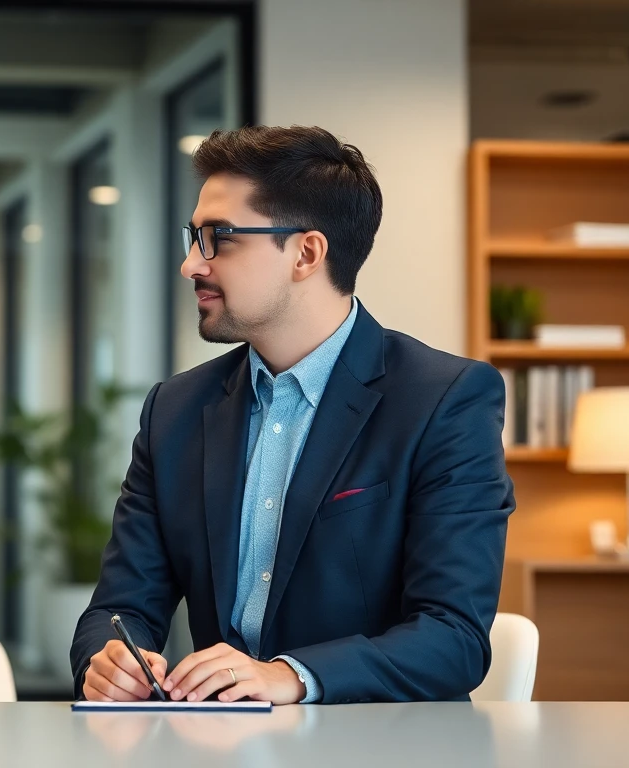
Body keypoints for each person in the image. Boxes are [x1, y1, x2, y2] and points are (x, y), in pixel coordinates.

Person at [71, 125, 514, 705]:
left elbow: (452, 638)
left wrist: (291, 675)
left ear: (306, 253)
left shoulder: (444, 400)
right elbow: (118, 608)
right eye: (194, 237)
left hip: (380, 740)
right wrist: (109, 661)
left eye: (219, 238)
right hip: (218, 738)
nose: (191, 264)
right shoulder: (175, 410)